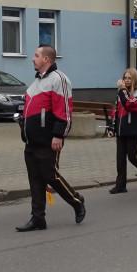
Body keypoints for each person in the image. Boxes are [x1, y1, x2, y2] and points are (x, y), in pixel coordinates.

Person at [16, 45, 86, 231]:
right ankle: (38, 218)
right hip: (32, 141)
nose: (33, 59)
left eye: (36, 55)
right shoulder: (37, 81)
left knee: (50, 175)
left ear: (46, 59)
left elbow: (64, 111)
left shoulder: (59, 79)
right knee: (35, 179)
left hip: (49, 140)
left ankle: (77, 200)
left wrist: (58, 135)